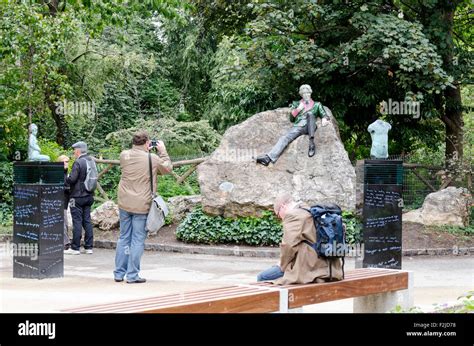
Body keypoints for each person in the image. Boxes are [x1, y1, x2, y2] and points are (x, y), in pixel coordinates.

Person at [113, 132, 172, 284]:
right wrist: (163, 151)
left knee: (124, 237)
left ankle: (119, 273)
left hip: (124, 202)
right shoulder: (151, 158)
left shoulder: (124, 155)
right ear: (147, 143)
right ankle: (132, 275)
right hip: (141, 204)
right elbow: (167, 169)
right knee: (137, 239)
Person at [257, 194, 343, 284]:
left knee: (262, 277)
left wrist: (281, 265)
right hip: (331, 269)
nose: (281, 218)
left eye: (278, 215)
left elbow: (288, 246)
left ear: (283, 206)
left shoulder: (293, 215)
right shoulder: (309, 210)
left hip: (312, 270)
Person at [256, 84, 330, 166]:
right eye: (304, 93)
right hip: (298, 126)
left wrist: (324, 118)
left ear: (310, 93)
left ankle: (311, 144)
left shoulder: (317, 104)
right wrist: (298, 109)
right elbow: (291, 118)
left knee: (310, 115)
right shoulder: (296, 103)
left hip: (310, 126)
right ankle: (268, 158)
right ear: (301, 94)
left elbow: (324, 115)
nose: (306, 95)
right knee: (284, 137)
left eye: (307, 93)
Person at [64, 141, 95, 255]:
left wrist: (65, 174)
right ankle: (88, 247)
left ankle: (75, 247)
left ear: (78, 150)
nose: (73, 153)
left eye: (74, 150)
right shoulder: (91, 160)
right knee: (87, 220)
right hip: (89, 196)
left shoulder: (78, 162)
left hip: (76, 197)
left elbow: (72, 179)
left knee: (77, 221)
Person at [57, 155, 71, 251]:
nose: (67, 163)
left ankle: (65, 242)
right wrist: (69, 188)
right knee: (63, 222)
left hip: (65, 201)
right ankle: (65, 243)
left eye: (68, 161)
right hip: (59, 200)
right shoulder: (58, 173)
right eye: (65, 161)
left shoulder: (65, 173)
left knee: (65, 223)